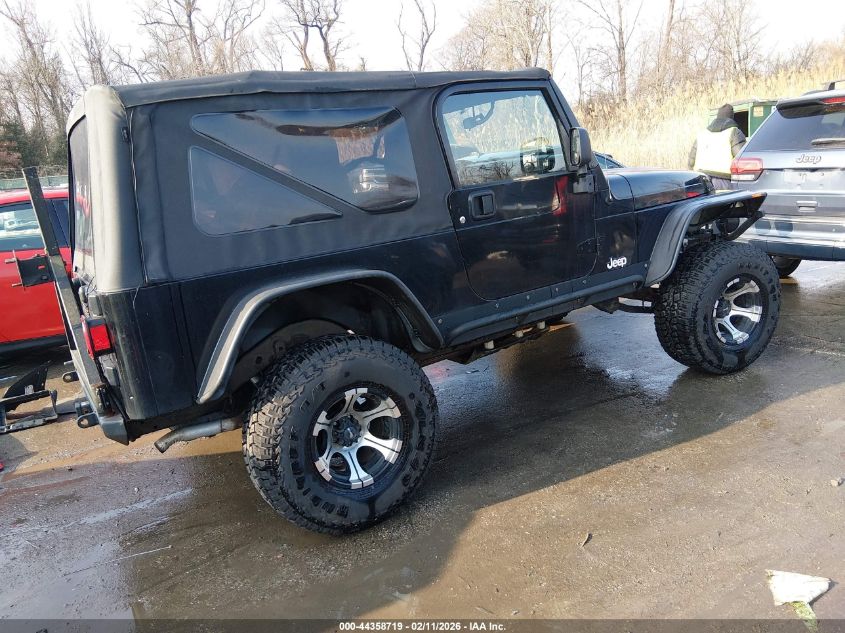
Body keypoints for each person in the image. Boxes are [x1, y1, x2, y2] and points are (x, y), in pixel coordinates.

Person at [688, 103, 746, 190]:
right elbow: (741, 158)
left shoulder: (702, 134)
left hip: (701, 179)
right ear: (731, 117)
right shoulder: (734, 132)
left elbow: (691, 162)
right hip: (723, 179)